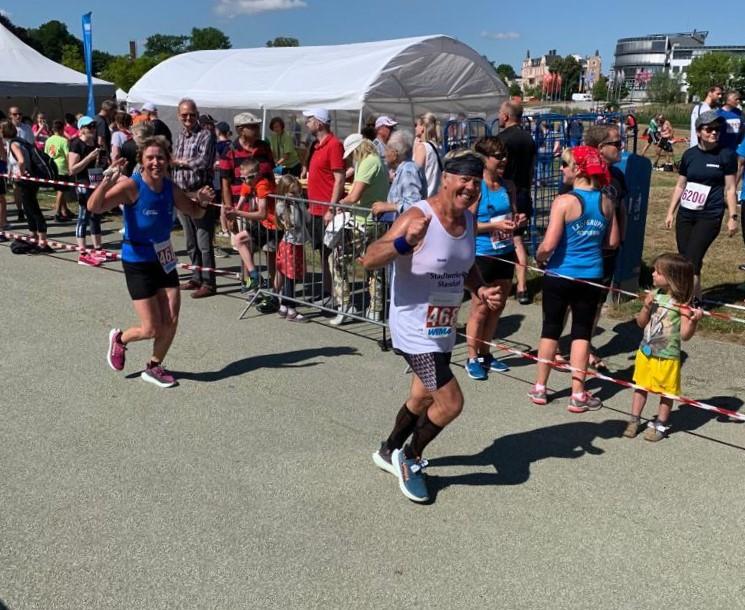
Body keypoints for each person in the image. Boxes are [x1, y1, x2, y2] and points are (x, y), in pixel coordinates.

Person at [361, 149, 502, 503]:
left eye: (476, 182)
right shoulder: (417, 215)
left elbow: (465, 264)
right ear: (446, 179)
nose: (471, 188)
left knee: (423, 396)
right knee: (451, 402)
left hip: (441, 325)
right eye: (464, 179)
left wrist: (480, 288)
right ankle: (409, 457)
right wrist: (404, 242)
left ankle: (388, 450)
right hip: (412, 328)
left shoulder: (468, 221)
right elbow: (369, 258)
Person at [88, 137, 213, 388]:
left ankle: (154, 367)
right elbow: (95, 207)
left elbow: (195, 212)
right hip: (137, 260)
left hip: (164, 257)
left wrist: (202, 201)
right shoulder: (131, 186)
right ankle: (120, 339)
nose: (156, 162)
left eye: (160, 157)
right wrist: (107, 181)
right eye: (150, 158)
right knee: (151, 328)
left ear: (168, 160)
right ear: (142, 161)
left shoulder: (170, 188)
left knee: (172, 319)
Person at [529, 146, 619, 412]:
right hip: (590, 276)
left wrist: (539, 256)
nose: (561, 169)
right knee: (582, 332)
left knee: (551, 329)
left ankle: (540, 387)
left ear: (578, 170)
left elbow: (549, 244)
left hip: (560, 273)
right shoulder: (606, 201)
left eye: (564, 164)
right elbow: (613, 241)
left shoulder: (564, 201)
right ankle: (578, 393)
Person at [463, 136, 527, 381]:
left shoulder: (507, 186)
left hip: (505, 252)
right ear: (484, 160)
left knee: (497, 307)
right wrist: (494, 226)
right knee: (480, 309)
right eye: (498, 157)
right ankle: (472, 357)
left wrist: (517, 220)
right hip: (482, 254)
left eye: (505, 156)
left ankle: (485, 353)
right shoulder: (476, 188)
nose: (503, 160)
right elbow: (468, 225)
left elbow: (512, 214)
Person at [623, 254, 703, 441]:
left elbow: (685, 335)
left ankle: (660, 424)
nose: (652, 274)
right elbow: (641, 323)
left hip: (667, 356)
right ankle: (634, 420)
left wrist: (693, 322)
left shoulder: (683, 303)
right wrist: (645, 307)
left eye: (658, 272)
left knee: (666, 392)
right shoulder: (654, 294)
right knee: (640, 387)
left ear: (672, 278)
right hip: (645, 352)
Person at [666, 110, 738, 299]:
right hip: (686, 213)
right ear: (698, 131)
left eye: (717, 129)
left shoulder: (726, 155)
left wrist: (732, 216)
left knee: (692, 259)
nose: (714, 132)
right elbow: (681, 185)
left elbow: (730, 189)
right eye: (709, 129)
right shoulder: (689, 155)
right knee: (686, 259)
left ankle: (688, 301)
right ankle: (695, 298)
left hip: (710, 215)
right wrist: (671, 211)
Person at [172, 99, 217, 299]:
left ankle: (209, 282)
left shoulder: (206, 135)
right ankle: (196, 276)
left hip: (200, 194)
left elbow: (203, 162)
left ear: (197, 115)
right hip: (182, 194)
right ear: (179, 116)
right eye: (184, 115)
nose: (188, 118)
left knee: (203, 241)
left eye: (191, 114)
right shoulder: (180, 136)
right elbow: (174, 162)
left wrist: (179, 162)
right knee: (190, 241)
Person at [302, 108, 345, 306]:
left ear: (319, 123)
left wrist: (331, 208)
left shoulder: (334, 145)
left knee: (332, 255)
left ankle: (337, 296)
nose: (306, 123)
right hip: (316, 209)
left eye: (309, 120)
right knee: (323, 253)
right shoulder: (316, 146)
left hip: (326, 210)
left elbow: (339, 178)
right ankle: (328, 292)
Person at [497, 101, 535, 305]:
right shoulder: (528, 138)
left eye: (500, 113)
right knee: (518, 239)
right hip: (524, 192)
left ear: (505, 116)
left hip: (504, 192)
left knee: (499, 238)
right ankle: (522, 287)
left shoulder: (502, 139)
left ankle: (498, 283)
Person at [224, 158, 278, 294]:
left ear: (258, 174)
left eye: (250, 177)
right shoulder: (248, 183)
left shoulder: (262, 185)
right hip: (262, 225)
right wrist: (232, 215)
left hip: (274, 226)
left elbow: (262, 214)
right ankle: (254, 276)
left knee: (271, 260)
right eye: (242, 178)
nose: (246, 181)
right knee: (239, 240)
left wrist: (237, 213)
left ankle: (275, 293)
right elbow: (239, 204)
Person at [3, 120, 53, 251]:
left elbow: (21, 160)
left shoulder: (14, 144)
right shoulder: (18, 141)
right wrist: (10, 171)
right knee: (28, 208)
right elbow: (14, 161)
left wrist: (20, 173)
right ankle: (34, 235)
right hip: (29, 179)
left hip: (27, 180)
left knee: (33, 208)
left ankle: (42, 240)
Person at [68, 116, 107, 267]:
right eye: (89, 127)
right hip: (82, 183)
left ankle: (98, 249)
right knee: (83, 215)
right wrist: (89, 158)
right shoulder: (76, 144)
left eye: (94, 126)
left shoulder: (96, 144)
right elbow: (72, 169)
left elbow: (101, 165)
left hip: (95, 182)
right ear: (82, 129)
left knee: (96, 214)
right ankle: (82, 253)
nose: (93, 129)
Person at [274, 174, 310, 322]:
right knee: (290, 277)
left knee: (294, 277)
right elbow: (294, 222)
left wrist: (300, 203)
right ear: (284, 192)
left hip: (298, 244)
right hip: (289, 245)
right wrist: (294, 204)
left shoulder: (298, 202)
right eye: (292, 193)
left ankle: (284, 306)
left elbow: (307, 218)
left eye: (298, 192)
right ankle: (291, 309)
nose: (296, 195)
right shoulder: (281, 206)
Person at [44, 120, 74, 222]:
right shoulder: (64, 141)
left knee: (60, 189)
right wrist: (70, 167)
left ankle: (65, 210)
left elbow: (46, 154)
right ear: (62, 129)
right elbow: (67, 155)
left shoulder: (48, 140)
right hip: (61, 167)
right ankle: (57, 213)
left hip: (52, 167)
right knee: (61, 191)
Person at [413, 112, 442, 197]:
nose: (415, 128)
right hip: (435, 196)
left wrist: (415, 150)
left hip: (424, 198)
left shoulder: (422, 147)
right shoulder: (439, 147)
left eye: (416, 125)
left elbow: (415, 175)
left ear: (422, 127)